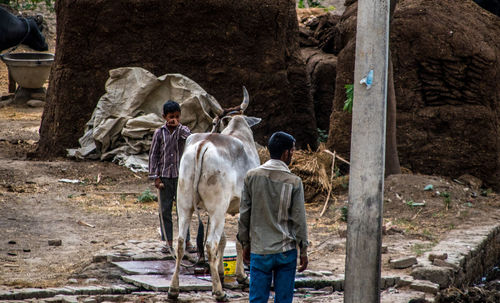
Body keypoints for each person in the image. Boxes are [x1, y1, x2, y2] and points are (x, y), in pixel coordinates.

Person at [238, 131, 309, 303]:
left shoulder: (251, 177)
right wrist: (304, 250)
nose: (292, 154)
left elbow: (244, 215)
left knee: (257, 299)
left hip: (259, 251)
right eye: (292, 151)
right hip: (286, 252)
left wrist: (245, 244)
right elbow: (299, 220)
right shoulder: (294, 181)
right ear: (286, 153)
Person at [149, 100, 202, 254]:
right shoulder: (159, 133)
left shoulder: (183, 130)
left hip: (181, 178)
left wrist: (179, 127)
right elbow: (154, 155)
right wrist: (155, 177)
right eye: (171, 117)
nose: (174, 120)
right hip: (165, 178)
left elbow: (191, 139)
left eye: (177, 117)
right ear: (164, 117)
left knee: (183, 210)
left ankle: (186, 241)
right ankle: (168, 242)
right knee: (165, 210)